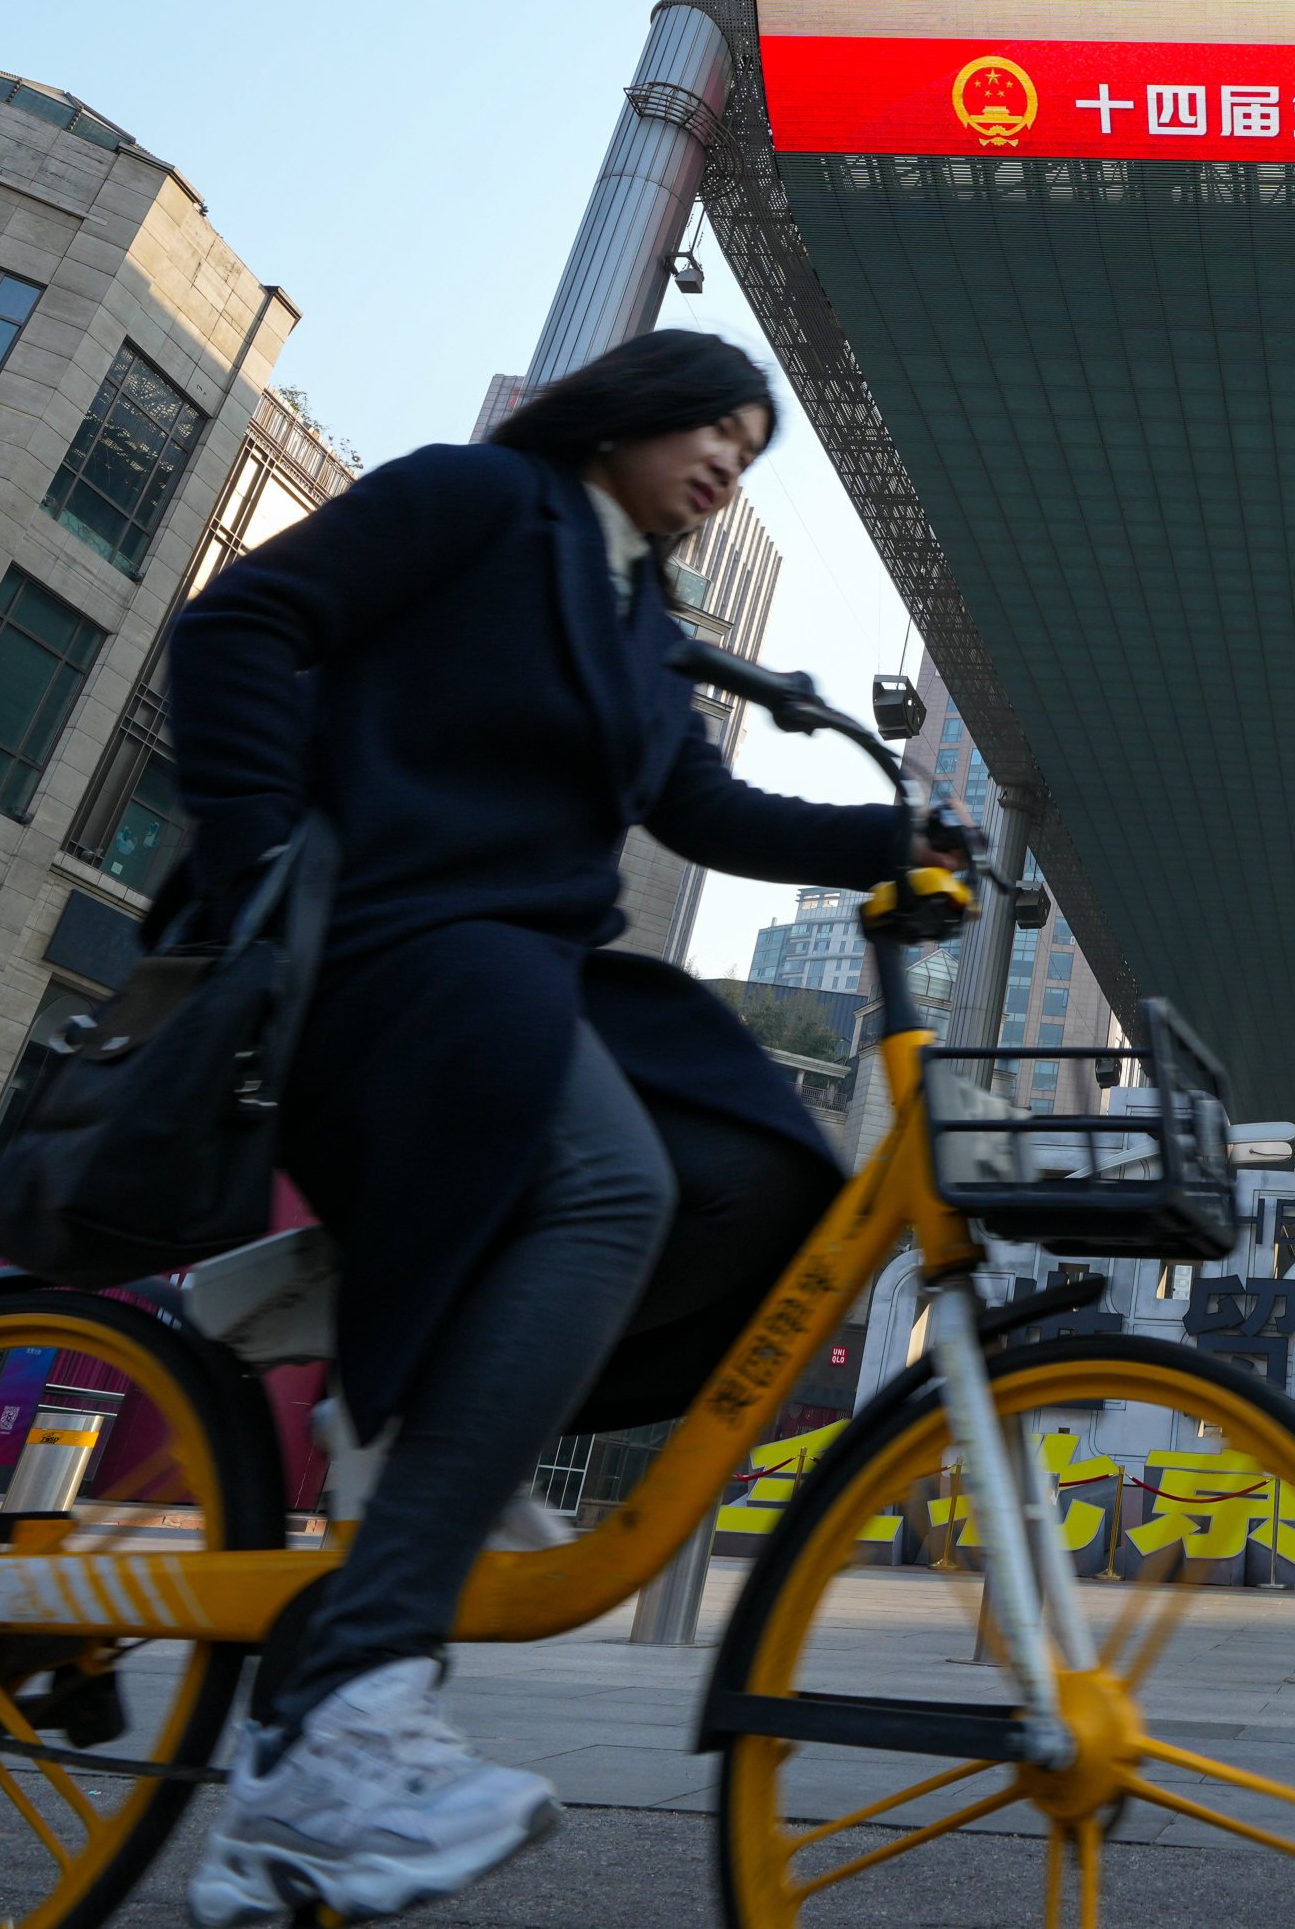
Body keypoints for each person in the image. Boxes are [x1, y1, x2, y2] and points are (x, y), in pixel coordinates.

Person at [163, 329, 920, 1926]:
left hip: (524, 973)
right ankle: (353, 1713)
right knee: (607, 1179)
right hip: (382, 940)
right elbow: (240, 626)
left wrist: (896, 834)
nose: (723, 461)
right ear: (623, 417)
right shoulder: (472, 500)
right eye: (709, 427)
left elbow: (697, 813)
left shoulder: (640, 619)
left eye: (745, 449)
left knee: (754, 1167)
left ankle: (426, 1386)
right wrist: (256, 876)